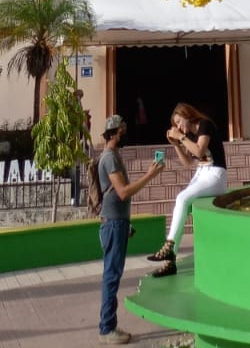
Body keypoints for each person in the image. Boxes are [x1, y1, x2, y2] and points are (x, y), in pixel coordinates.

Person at [96, 112, 165, 344]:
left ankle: (109, 326)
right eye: (122, 132)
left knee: (112, 275)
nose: (125, 134)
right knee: (111, 277)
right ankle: (106, 329)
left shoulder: (113, 156)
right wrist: (149, 175)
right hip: (113, 224)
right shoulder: (109, 159)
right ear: (113, 134)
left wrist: (126, 223)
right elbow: (123, 192)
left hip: (118, 223)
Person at [147, 102, 228, 277]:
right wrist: (176, 144)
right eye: (175, 125)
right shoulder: (190, 134)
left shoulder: (204, 125)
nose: (178, 126)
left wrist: (182, 138)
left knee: (182, 198)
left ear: (186, 115)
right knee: (181, 203)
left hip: (215, 174)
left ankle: (169, 246)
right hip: (201, 173)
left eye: (179, 122)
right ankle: (170, 262)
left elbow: (199, 152)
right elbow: (189, 163)